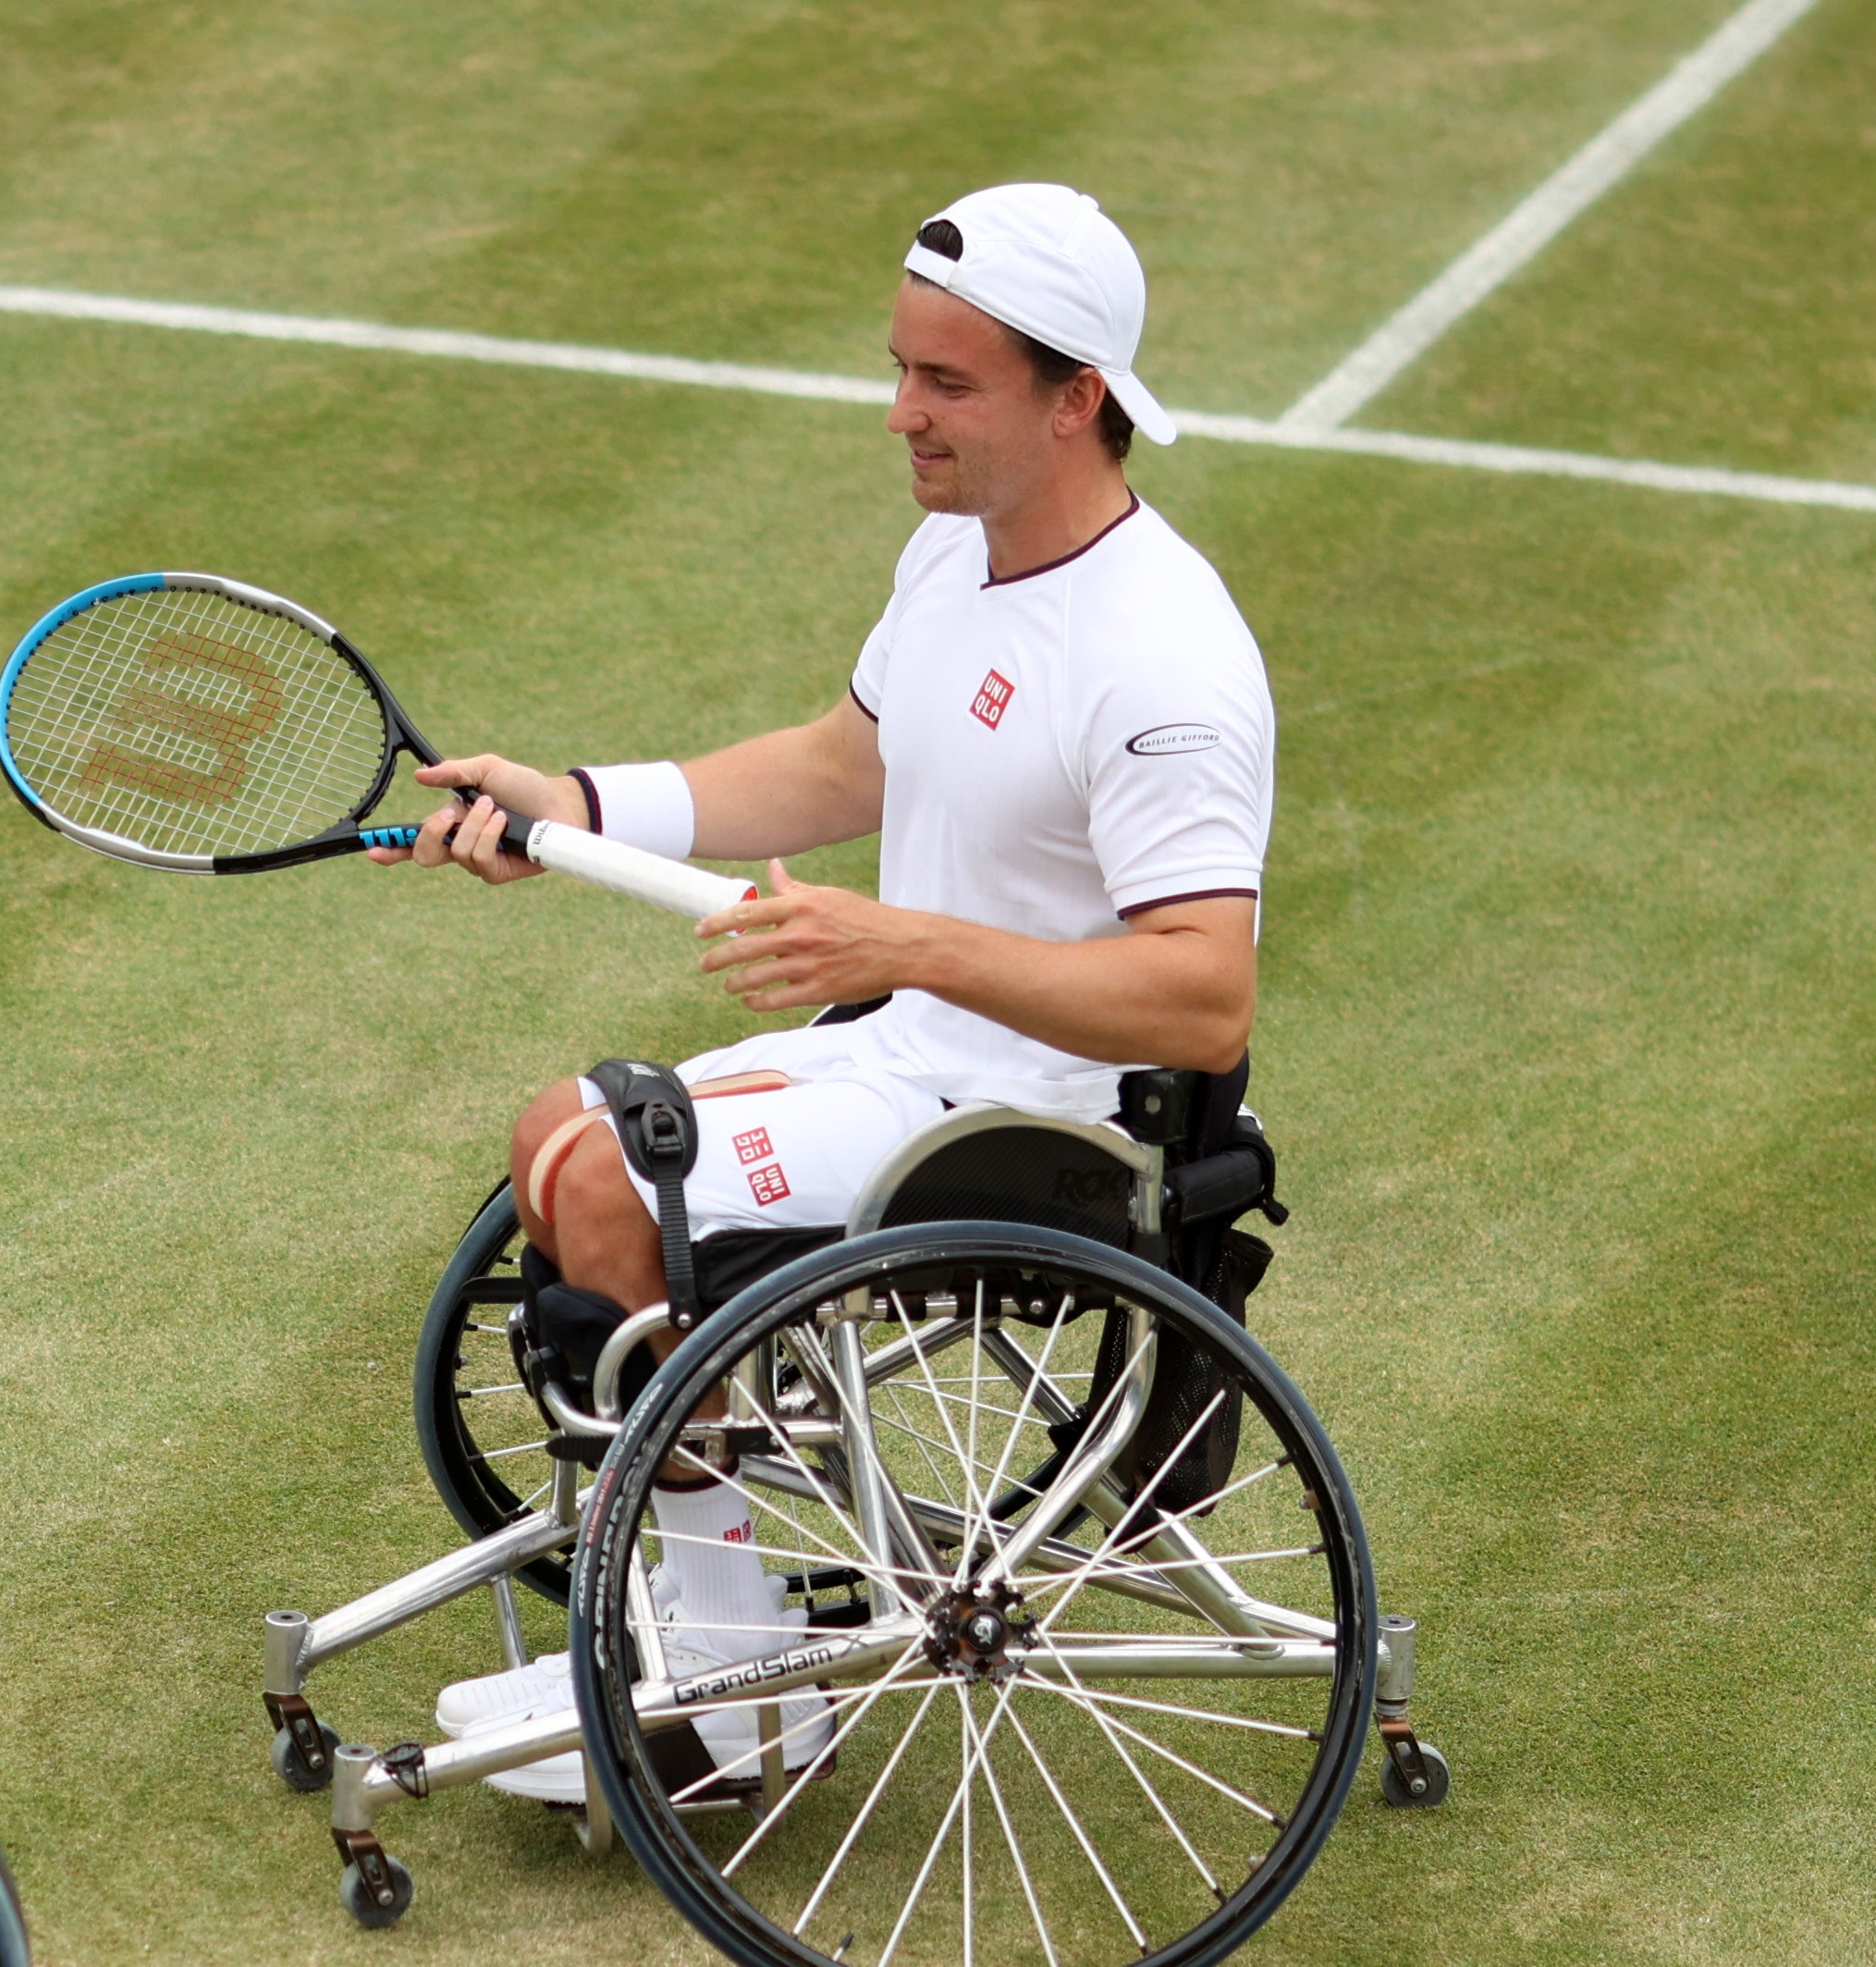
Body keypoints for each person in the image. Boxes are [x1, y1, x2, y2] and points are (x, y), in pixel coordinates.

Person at [377, 183, 1276, 1789]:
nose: (898, 416)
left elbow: (1203, 997)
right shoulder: (955, 553)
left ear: (1076, 399)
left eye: (946, 385)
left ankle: (731, 1689)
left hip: (1034, 1119)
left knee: (603, 1185)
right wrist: (575, 800)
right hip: (910, 1049)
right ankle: (713, 1627)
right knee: (557, 1140)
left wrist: (903, 944)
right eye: (900, 370)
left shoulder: (1161, 662)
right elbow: (838, 759)